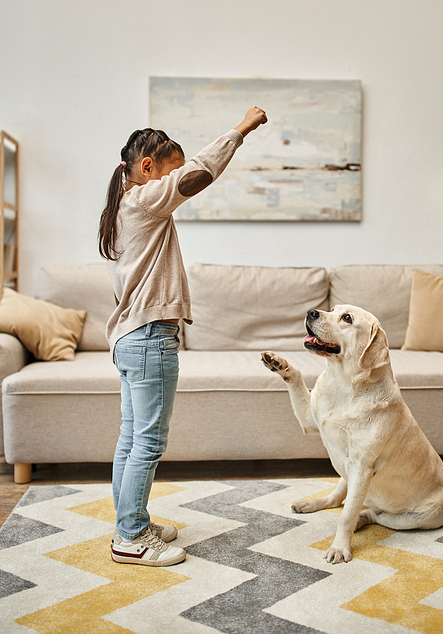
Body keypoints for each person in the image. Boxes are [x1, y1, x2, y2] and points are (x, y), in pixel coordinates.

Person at [98, 106, 267, 567]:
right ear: (147, 168)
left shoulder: (124, 207)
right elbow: (201, 172)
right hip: (150, 338)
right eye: (170, 167)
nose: (177, 177)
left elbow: (189, 173)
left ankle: (130, 522)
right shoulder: (144, 198)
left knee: (131, 439)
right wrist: (242, 129)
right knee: (148, 443)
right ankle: (130, 538)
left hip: (132, 338)